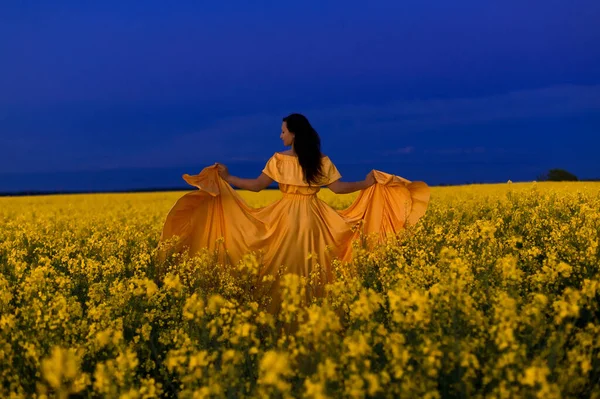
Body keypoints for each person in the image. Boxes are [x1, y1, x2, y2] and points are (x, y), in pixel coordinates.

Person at [157, 113, 430, 315]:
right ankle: (317, 318)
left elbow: (255, 187)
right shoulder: (320, 161)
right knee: (316, 268)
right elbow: (338, 189)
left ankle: (277, 318)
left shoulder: (279, 160)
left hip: (285, 218)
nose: (280, 136)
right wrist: (365, 183)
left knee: (278, 267)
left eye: (283, 131)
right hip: (314, 219)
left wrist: (228, 178)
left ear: (294, 134)